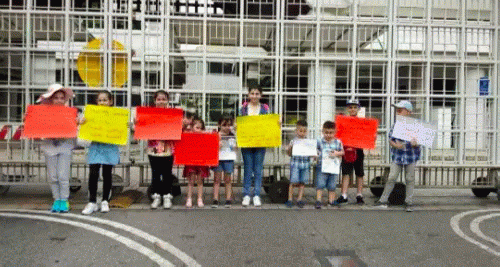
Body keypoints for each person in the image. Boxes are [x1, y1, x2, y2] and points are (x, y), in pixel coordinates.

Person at [374, 100, 420, 212]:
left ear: (408, 112)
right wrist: (395, 145)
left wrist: (416, 143)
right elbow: (390, 138)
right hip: (398, 156)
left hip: (410, 157)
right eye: (397, 110)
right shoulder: (396, 125)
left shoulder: (415, 125)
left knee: (410, 179)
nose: (397, 112)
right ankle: (383, 200)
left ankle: (409, 201)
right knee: (392, 177)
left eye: (400, 110)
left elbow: (420, 141)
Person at [37, 84, 76, 213]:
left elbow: (75, 129)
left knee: (63, 175)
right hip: (49, 147)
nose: (59, 100)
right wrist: (28, 118)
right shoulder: (43, 113)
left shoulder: (70, 113)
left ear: (65, 100)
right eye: (56, 97)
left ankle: (64, 200)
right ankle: (56, 199)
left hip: (65, 146)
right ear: (51, 99)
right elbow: (35, 126)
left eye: (61, 97)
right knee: (53, 176)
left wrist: (78, 123)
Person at [81, 90, 121, 215]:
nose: (102, 102)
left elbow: (121, 130)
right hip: (96, 148)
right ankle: (92, 201)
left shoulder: (116, 115)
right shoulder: (91, 114)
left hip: (109, 148)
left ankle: (105, 200)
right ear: (97, 102)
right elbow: (85, 131)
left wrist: (126, 126)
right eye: (100, 100)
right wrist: (83, 123)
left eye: (105, 100)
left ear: (111, 101)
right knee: (93, 173)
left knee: (107, 174)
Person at [239, 86, 270, 207]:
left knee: (258, 169)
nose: (254, 96)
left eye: (257, 93)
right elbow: (239, 123)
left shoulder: (265, 109)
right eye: (252, 93)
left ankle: (257, 195)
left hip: (260, 143)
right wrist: (237, 126)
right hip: (246, 143)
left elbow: (268, 124)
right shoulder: (243, 109)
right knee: (247, 169)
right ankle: (246, 195)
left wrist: (277, 123)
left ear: (261, 95)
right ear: (248, 95)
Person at [147, 90, 176, 209]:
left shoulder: (173, 113)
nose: (161, 101)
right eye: (159, 99)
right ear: (155, 100)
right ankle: (157, 196)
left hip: (168, 148)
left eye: (164, 99)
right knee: (155, 173)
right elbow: (141, 128)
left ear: (168, 100)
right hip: (153, 148)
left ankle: (167, 196)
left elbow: (178, 127)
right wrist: (136, 124)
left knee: (167, 173)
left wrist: (182, 123)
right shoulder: (148, 114)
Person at [335, 99, 366, 205]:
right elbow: (339, 135)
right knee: (346, 173)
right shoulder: (343, 121)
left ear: (358, 109)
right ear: (347, 108)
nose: (352, 109)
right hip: (347, 150)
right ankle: (344, 195)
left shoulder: (362, 122)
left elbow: (366, 136)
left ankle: (359, 195)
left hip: (358, 150)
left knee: (360, 173)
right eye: (350, 107)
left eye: (354, 107)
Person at [315, 121, 344, 209]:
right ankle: (318, 201)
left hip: (333, 167)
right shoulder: (319, 141)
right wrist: (316, 155)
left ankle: (331, 200)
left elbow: (342, 152)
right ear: (323, 131)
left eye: (331, 133)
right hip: (322, 166)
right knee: (320, 184)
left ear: (335, 132)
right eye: (326, 132)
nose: (328, 135)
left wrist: (337, 153)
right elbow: (315, 151)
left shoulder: (338, 142)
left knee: (332, 185)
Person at [183, 117, 210, 208]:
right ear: (192, 127)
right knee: (191, 181)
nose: (199, 130)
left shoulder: (205, 136)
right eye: (197, 128)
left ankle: (199, 198)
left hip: (201, 161)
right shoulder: (187, 135)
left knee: (200, 181)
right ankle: (189, 198)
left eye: (201, 128)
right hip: (191, 161)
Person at [284, 120, 311, 208]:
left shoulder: (308, 142)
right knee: (293, 181)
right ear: (296, 131)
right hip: (295, 164)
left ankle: (299, 199)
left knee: (302, 182)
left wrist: (313, 154)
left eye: (304, 131)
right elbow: (289, 154)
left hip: (305, 164)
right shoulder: (293, 141)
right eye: (300, 131)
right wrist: (289, 148)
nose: (302, 133)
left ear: (307, 131)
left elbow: (311, 153)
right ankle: (290, 199)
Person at [212, 116, 236, 208]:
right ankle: (215, 199)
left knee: (228, 180)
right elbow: (211, 147)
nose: (227, 127)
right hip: (217, 159)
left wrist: (235, 147)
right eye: (224, 125)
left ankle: (228, 199)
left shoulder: (232, 135)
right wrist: (217, 145)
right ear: (219, 125)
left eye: (229, 125)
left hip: (229, 159)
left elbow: (235, 147)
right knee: (216, 179)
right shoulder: (216, 135)